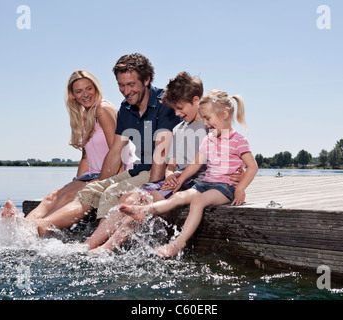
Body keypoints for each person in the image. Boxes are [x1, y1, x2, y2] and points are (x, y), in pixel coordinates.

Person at [0, 53, 181, 236]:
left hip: (161, 172)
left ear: (147, 79)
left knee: (106, 192)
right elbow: (112, 152)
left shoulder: (163, 103)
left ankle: (83, 239)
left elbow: (160, 151)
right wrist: (98, 185)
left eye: (131, 85)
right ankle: (29, 228)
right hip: (136, 170)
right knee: (77, 192)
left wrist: (150, 190)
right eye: (121, 85)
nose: (126, 91)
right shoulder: (125, 107)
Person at [85, 72, 243, 253]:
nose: (176, 113)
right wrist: (170, 176)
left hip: (197, 183)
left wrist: (238, 175)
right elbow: (171, 165)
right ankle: (92, 244)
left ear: (196, 101)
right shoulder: (178, 129)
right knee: (129, 197)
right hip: (179, 180)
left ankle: (107, 248)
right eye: (173, 109)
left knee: (142, 202)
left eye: (180, 107)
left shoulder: (211, 127)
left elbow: (233, 157)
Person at [119, 89, 259, 257]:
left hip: (225, 188)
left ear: (224, 114)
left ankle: (178, 244)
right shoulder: (209, 139)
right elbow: (196, 163)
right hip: (205, 183)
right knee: (178, 197)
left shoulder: (239, 140)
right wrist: (181, 179)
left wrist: (240, 189)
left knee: (198, 201)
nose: (206, 124)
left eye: (208, 119)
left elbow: (253, 167)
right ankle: (145, 210)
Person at [24, 70, 132, 221]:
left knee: (69, 196)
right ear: (72, 94)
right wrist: (75, 182)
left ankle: (35, 229)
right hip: (93, 175)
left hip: (113, 173)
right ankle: (21, 229)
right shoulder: (82, 116)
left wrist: (114, 186)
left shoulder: (102, 109)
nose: (85, 94)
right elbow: (86, 158)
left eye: (89, 88)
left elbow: (117, 151)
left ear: (96, 88)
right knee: (53, 196)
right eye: (79, 91)